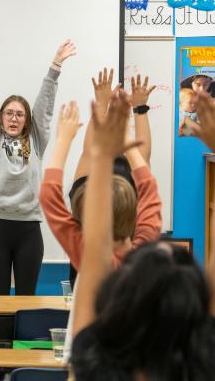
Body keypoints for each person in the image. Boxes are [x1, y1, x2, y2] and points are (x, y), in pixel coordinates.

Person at [71, 91, 215, 380]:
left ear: (119, 295)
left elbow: (97, 248)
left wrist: (99, 156)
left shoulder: (95, 361)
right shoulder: (202, 362)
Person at [0, 39, 76, 295]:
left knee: (26, 296)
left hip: (29, 229)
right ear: (0, 118)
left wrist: (56, 64)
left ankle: (20, 338)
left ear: (27, 120)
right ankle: (0, 338)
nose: (14, 118)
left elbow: (45, 105)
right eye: (8, 113)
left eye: (19, 114)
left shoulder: (35, 139)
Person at [40, 69, 158, 288]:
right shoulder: (141, 248)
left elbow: (86, 154)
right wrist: (139, 110)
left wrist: (99, 107)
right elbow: (145, 164)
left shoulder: (84, 249)